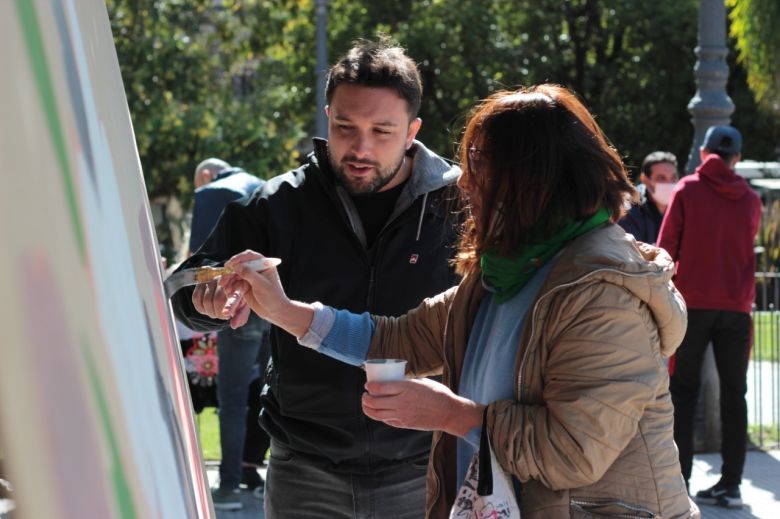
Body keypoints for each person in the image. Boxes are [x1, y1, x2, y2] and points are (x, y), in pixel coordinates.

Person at [219, 84, 699, 518]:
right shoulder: (500, 275)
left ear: (531, 176)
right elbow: (393, 338)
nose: (465, 181)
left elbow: (571, 451)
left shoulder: (603, 293)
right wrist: (282, 310)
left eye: (480, 161)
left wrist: (450, 414)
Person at [171, 39, 461, 518]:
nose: (360, 148)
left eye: (382, 131)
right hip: (305, 469)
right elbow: (184, 283)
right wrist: (206, 301)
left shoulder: (460, 207)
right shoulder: (279, 203)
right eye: (345, 127)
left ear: (413, 131)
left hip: (424, 467)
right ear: (327, 116)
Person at [657, 125, 762, 508]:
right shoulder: (751, 199)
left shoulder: (687, 190)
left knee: (682, 394)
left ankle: (679, 481)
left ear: (703, 153)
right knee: (736, 395)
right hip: (736, 309)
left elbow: (665, 249)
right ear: (736, 158)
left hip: (694, 305)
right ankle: (731, 485)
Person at [188, 158, 271, 510]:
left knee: (232, 399)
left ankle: (229, 486)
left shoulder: (212, 191)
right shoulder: (264, 185)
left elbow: (198, 260)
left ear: (206, 175)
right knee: (267, 392)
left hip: (235, 303)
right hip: (273, 301)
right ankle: (255, 473)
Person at [619, 151, 679, 244]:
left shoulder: (683, 208)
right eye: (661, 178)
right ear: (645, 179)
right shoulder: (628, 210)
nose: (669, 183)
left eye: (673, 178)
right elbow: (635, 253)